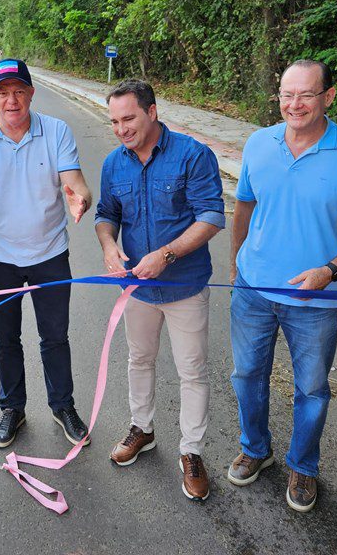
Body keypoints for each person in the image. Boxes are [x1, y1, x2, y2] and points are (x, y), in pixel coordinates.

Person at [228, 59, 337, 512]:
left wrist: (332, 271)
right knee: (245, 377)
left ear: (328, 97)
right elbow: (244, 207)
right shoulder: (259, 143)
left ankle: (303, 465)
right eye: (286, 94)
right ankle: (255, 449)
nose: (294, 104)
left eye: (306, 95)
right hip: (253, 294)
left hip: (314, 300)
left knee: (312, 388)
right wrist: (238, 264)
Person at [0, 58, 93, 449]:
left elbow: (73, 181)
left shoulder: (56, 130)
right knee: (4, 339)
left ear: (31, 93)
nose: (12, 100)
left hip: (49, 253)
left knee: (54, 336)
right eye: (4, 92)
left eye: (19, 91)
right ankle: (13, 408)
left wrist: (80, 197)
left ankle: (63, 406)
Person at [94, 80, 225, 502]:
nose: (121, 129)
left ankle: (192, 452)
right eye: (114, 121)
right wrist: (109, 245)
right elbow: (105, 215)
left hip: (185, 286)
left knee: (192, 372)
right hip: (138, 291)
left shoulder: (192, 154)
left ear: (152, 111)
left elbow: (211, 217)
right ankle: (142, 429)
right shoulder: (115, 163)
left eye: (128, 118)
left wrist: (166, 254)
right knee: (139, 359)